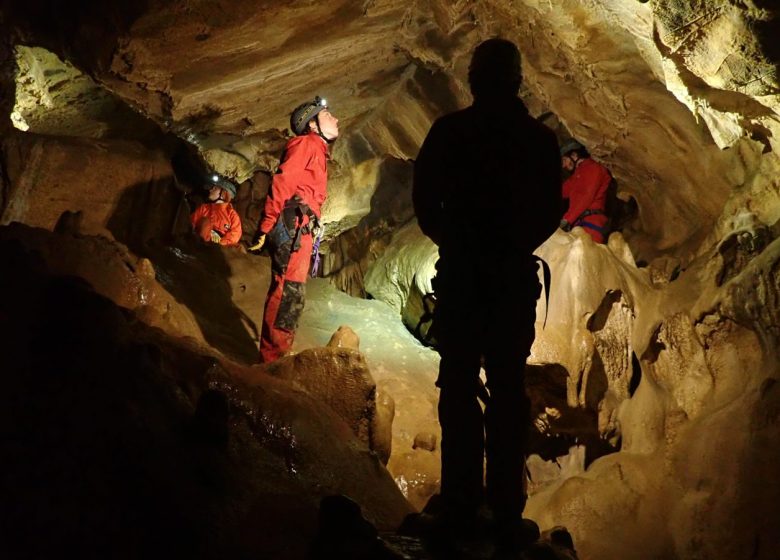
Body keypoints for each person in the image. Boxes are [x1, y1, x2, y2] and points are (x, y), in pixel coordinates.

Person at [413, 38, 561, 555]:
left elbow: (424, 199)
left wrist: (456, 241)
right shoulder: (538, 141)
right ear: (517, 80)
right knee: (505, 393)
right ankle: (504, 510)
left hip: (464, 280)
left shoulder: (451, 133)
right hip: (508, 282)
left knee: (457, 387)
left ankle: (459, 503)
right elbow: (551, 209)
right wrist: (514, 244)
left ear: (474, 80)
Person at [250, 96, 338, 363]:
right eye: (327, 115)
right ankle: (272, 362)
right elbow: (282, 184)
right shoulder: (305, 144)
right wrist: (265, 226)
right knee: (287, 292)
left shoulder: (318, 150)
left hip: (302, 230)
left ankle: (278, 353)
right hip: (294, 228)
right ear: (312, 124)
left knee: (292, 293)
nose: (336, 119)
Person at [559, 139, 612, 243]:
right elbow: (561, 191)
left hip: (592, 225)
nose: (564, 166)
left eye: (564, 160)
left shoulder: (594, 168)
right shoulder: (576, 176)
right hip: (578, 224)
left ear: (574, 155)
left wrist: (566, 220)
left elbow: (585, 197)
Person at [190, 175, 242, 246]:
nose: (210, 190)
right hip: (201, 245)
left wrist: (220, 243)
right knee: (205, 223)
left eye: (215, 188)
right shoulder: (204, 208)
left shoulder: (232, 215)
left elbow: (235, 234)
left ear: (223, 194)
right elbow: (191, 224)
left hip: (220, 249)